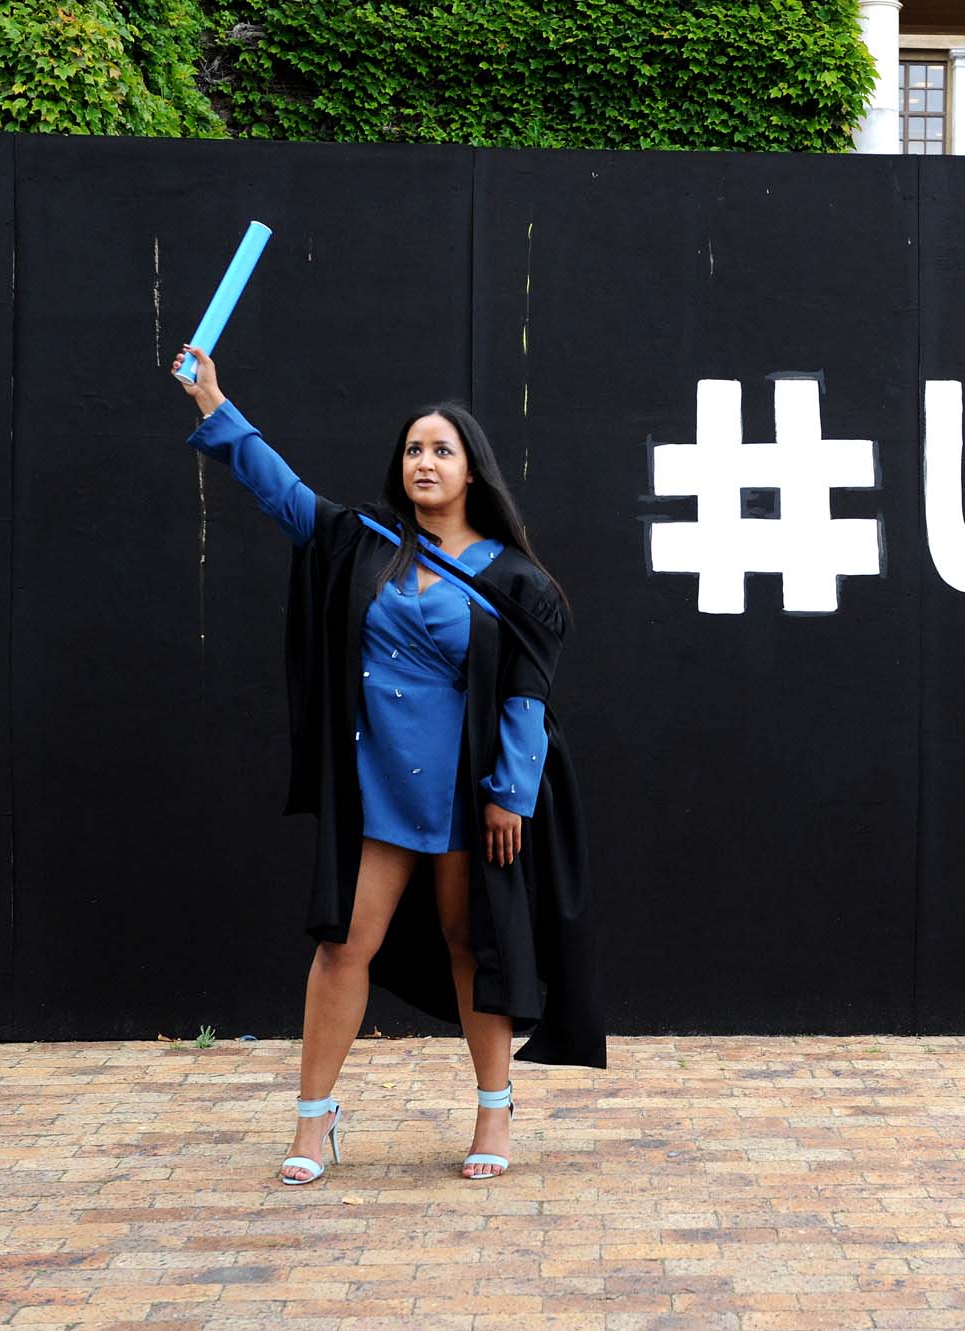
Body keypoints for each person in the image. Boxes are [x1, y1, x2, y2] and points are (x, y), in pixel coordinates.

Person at [170, 345, 604, 1185]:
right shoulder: (364, 543)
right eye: (414, 449)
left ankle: (494, 1109)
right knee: (342, 945)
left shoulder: (516, 579)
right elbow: (282, 491)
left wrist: (509, 795)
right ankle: (313, 1120)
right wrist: (215, 404)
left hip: (466, 792)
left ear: (472, 470)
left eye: (443, 449)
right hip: (378, 788)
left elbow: (525, 697)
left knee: (472, 947)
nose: (425, 461)